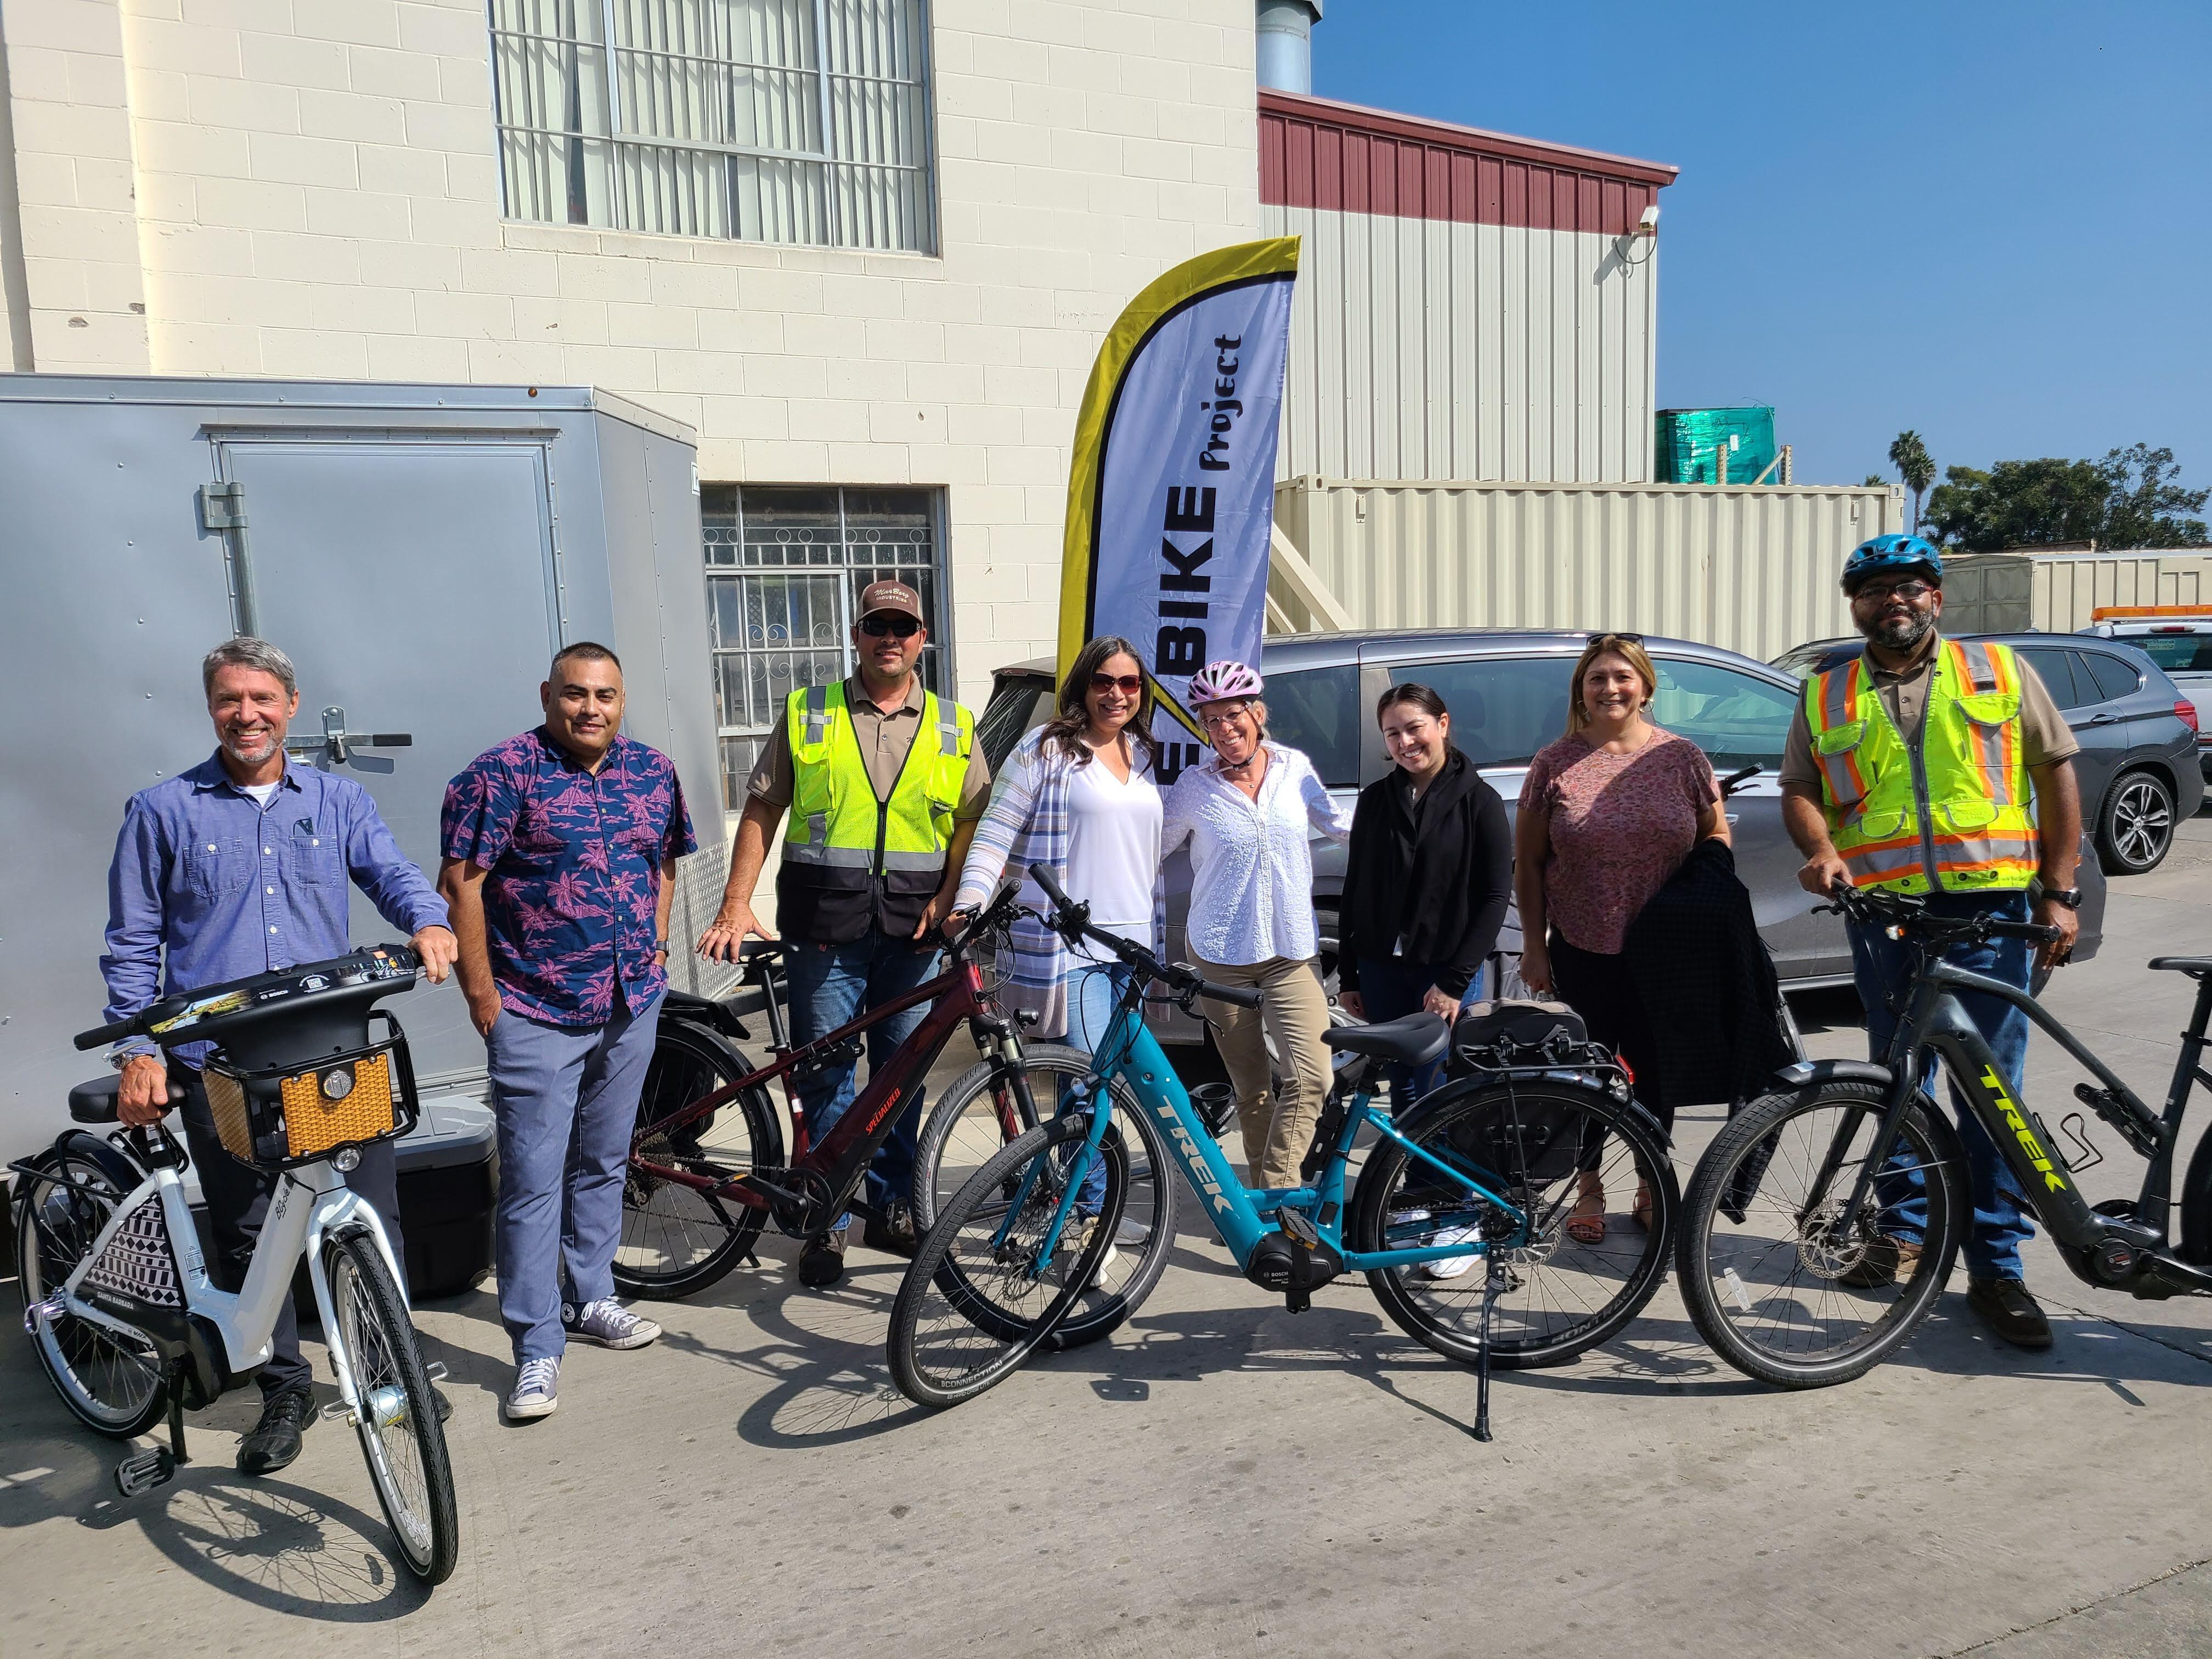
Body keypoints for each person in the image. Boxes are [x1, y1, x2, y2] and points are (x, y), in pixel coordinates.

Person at [101, 636, 458, 1474]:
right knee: (249, 1229)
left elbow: (394, 876)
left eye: (262, 699)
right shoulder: (163, 812)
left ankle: (383, 1365)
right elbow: (132, 945)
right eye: (230, 700)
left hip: (328, 1052)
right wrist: (135, 1050)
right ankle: (283, 1387)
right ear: (211, 709)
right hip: (222, 1065)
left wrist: (429, 921)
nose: (247, 715)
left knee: (369, 1215)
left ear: (292, 707)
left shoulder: (336, 803)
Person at [1780, 533, 2082, 1350]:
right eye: (1875, 591)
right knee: (1896, 1086)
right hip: (1888, 920)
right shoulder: (1826, 694)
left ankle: (1998, 1265)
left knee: (1990, 1096)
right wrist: (1822, 849)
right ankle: (1909, 1235)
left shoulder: (1999, 672)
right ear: (1856, 606)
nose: (1894, 601)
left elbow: (2057, 771)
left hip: (1988, 915)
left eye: (1909, 587)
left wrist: (2060, 892)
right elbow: (1802, 788)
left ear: (1936, 597)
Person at [696, 580, 987, 1289]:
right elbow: (763, 809)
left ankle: (890, 1209)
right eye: (877, 626)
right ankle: (822, 1220)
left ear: (923, 639)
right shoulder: (809, 711)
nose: (891, 638)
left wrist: (951, 898)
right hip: (825, 928)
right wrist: (735, 907)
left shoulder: (955, 724)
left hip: (913, 933)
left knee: (901, 1079)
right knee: (826, 1076)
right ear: (857, 635)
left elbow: (971, 822)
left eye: (904, 627)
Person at [441, 642, 695, 1422]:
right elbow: (462, 884)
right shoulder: (501, 774)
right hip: (536, 1008)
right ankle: (536, 1344)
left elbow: (666, 864)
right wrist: (484, 997)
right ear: (548, 693)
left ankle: (592, 1297)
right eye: (576, 695)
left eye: (607, 696)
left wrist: (653, 948)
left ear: (623, 701)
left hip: (629, 1001)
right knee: (530, 1179)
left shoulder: (652, 773)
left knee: (605, 1160)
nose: (591, 709)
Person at [1516, 633, 1730, 1243]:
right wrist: (1535, 946)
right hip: (1584, 947)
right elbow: (1528, 862)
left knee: (1656, 1075)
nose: (1610, 688)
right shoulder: (1554, 763)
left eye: (1622, 677)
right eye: (1597, 679)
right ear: (1581, 691)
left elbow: (1715, 838)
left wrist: (1706, 906)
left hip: (1665, 953)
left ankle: (1649, 1183)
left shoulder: (1682, 758)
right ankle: (1588, 1187)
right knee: (1586, 1075)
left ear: (1645, 686)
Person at [951, 637, 1164, 1234]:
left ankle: (1066, 1199)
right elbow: (996, 831)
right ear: (1082, 686)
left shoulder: (1143, 752)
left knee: (1104, 1083)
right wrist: (970, 902)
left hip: (1134, 948)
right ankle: (1088, 1212)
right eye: (1104, 680)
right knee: (1086, 1083)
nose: (1116, 693)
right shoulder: (1047, 749)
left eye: (1128, 683)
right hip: (1074, 950)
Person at [1161, 660, 1351, 1191]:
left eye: (1234, 714)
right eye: (1212, 720)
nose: (1225, 728)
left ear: (1258, 713)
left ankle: (1277, 1186)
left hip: (1290, 951)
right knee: (1252, 1089)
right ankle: (1274, 1210)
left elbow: (1340, 825)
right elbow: (1148, 850)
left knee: (1313, 1077)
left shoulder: (1294, 768)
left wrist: (1413, 831)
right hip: (1220, 956)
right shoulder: (1194, 787)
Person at [1336, 682, 1513, 1096]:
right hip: (1382, 970)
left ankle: (1433, 1165)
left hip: (1444, 969)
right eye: (1393, 734)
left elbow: (1494, 898)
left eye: (1415, 728)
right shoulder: (1377, 800)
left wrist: (1454, 984)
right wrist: (1349, 975)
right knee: (1401, 1087)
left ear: (1443, 724)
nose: (1406, 742)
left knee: (1438, 1089)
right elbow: (1355, 888)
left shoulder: (1481, 802)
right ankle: (1405, 1166)